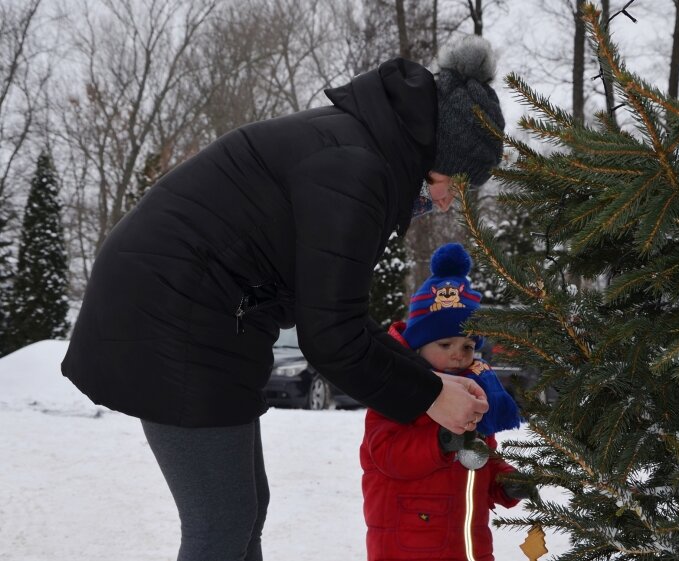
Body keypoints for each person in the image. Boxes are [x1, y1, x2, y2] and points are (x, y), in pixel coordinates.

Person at [60, 35, 505, 561]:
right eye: (454, 182)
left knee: (245, 509)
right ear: (436, 154)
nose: (451, 200)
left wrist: (431, 379)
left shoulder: (366, 152)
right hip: (170, 313)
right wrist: (431, 394)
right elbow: (332, 340)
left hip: (211, 315)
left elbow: (343, 320)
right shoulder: (355, 170)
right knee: (221, 522)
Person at [361, 243, 535, 561]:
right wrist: (440, 440)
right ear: (417, 346)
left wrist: (505, 482)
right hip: (408, 544)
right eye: (446, 343)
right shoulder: (397, 387)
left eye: (468, 346)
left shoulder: (473, 392)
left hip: (468, 543)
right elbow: (384, 454)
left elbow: (480, 454)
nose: (459, 354)